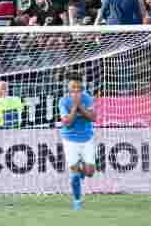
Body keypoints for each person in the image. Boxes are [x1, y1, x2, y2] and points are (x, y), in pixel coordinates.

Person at [58, 77, 97, 210]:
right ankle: (77, 201)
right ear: (68, 89)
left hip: (87, 138)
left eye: (78, 88)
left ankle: (79, 172)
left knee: (90, 172)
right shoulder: (63, 101)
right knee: (74, 174)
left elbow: (93, 117)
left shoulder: (88, 99)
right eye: (73, 88)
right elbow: (67, 122)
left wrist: (80, 105)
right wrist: (75, 107)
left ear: (82, 88)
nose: (75, 91)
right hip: (70, 139)